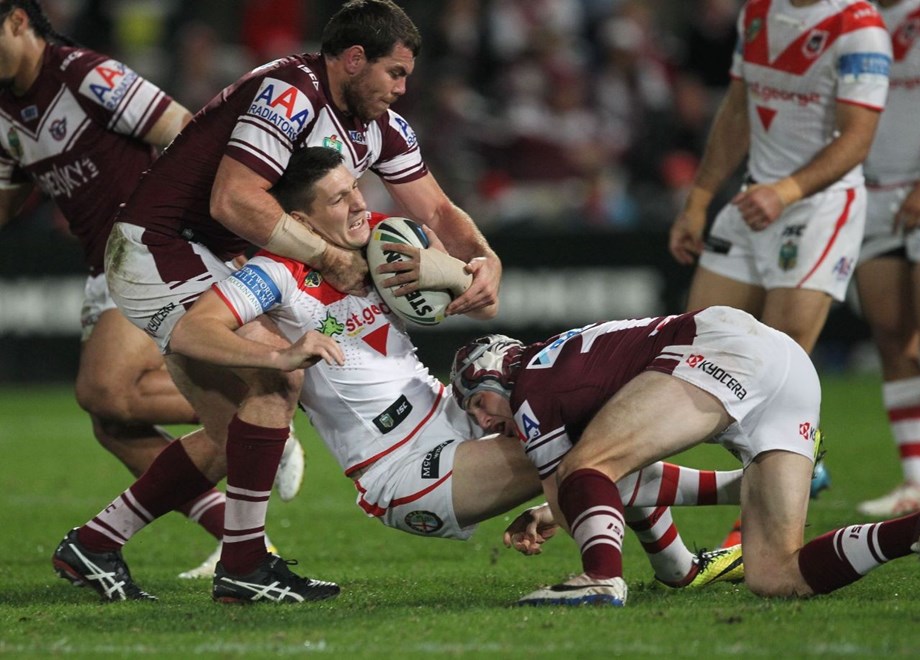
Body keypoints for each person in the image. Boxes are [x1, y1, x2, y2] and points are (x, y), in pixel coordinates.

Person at [53, 0, 501, 604]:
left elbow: (440, 211)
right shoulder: (291, 92)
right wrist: (329, 258)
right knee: (276, 377)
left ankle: (98, 543)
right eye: (394, 73)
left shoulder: (380, 126)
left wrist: (485, 259)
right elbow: (233, 200)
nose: (402, 88)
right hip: (161, 244)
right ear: (353, 59)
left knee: (237, 427)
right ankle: (242, 566)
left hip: (214, 252)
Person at [166, 146, 747, 598]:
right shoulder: (276, 272)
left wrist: (454, 271)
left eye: (356, 187)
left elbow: (483, 304)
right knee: (585, 442)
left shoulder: (380, 239)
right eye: (339, 199)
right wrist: (279, 357)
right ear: (299, 219)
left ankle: (679, 565)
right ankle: (737, 493)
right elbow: (192, 331)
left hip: (449, 413)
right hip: (401, 470)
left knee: (588, 415)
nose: (359, 204)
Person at [0, 0, 302, 578]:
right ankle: (240, 526)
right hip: (103, 264)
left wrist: (214, 233)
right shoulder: (5, 113)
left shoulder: (88, 75)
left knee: (104, 390)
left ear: (17, 20)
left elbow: (188, 135)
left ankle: (259, 406)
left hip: (150, 248)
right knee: (113, 423)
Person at [450, 307, 920, 606]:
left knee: (588, 466)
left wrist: (559, 507)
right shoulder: (556, 371)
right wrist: (558, 505)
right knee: (777, 575)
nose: (485, 422)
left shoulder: (531, 387)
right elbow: (606, 486)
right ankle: (910, 533)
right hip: (786, 368)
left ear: (497, 371)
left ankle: (600, 580)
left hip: (723, 350)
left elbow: (581, 490)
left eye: (478, 403)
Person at [667, 0, 892, 546]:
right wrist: (699, 200)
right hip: (753, 202)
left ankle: (755, 531)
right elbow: (737, 110)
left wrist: (786, 191)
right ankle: (806, 462)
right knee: (697, 347)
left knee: (779, 361)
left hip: (819, 208)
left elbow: (858, 137)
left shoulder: (858, 26)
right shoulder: (759, 11)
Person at [853, 0, 920, 517]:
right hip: (871, 192)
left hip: (917, 184)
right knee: (892, 336)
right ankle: (915, 482)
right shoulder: (854, 19)